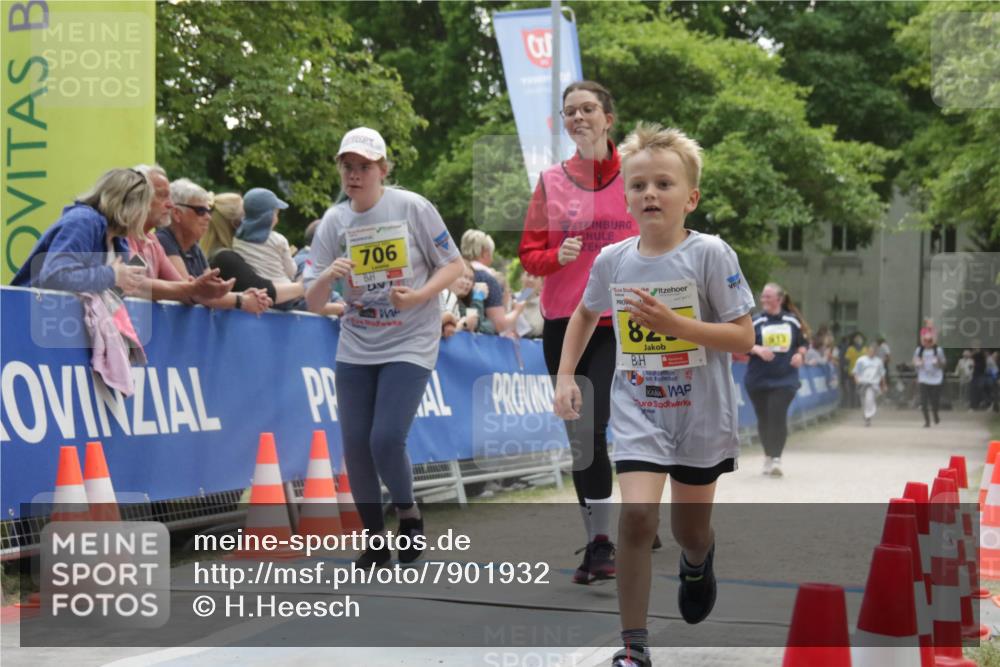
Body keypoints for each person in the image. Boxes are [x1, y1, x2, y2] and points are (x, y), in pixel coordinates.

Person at [554, 123, 754, 667]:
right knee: (638, 519)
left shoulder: (711, 254)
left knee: (689, 529)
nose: (650, 194)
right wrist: (567, 375)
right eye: (639, 185)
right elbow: (585, 313)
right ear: (626, 198)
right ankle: (634, 649)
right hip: (639, 409)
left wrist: (676, 325)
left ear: (690, 197)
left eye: (664, 184)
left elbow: (742, 336)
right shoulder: (614, 261)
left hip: (700, 416)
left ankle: (697, 559)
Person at [303, 127, 463, 567]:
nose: (354, 175)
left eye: (364, 167)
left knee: (386, 438)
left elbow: (455, 264)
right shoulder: (334, 222)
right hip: (357, 341)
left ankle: (408, 513)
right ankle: (374, 537)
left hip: (411, 336)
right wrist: (325, 276)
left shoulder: (411, 207)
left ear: (383, 170)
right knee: (355, 444)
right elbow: (314, 302)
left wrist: (419, 295)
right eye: (347, 167)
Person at [518, 80, 641, 585]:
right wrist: (557, 255)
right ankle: (600, 541)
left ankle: (626, 524)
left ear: (608, 118)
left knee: (602, 423)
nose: (579, 118)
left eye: (588, 109)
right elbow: (529, 255)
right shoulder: (551, 181)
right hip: (564, 322)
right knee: (582, 437)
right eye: (570, 112)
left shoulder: (636, 175)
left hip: (621, 323)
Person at [12, 168, 151, 295]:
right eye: (145, 207)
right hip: (29, 315)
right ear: (130, 206)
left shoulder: (119, 241)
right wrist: (112, 276)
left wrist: (125, 284)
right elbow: (54, 276)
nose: (145, 214)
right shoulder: (83, 222)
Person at [157, 178, 271, 314]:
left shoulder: (194, 248)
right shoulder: (163, 240)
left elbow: (208, 293)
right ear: (177, 213)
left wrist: (242, 295)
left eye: (209, 211)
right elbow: (189, 292)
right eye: (200, 211)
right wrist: (241, 299)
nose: (208, 217)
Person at [129, 164, 234, 304]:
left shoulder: (152, 241)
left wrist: (202, 290)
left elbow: (184, 290)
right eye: (162, 195)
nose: (170, 205)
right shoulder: (123, 235)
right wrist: (194, 289)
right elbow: (133, 284)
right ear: (138, 197)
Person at [743, 283, 808, 477]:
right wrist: (757, 349)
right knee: (764, 419)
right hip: (758, 379)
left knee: (777, 415)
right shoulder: (755, 321)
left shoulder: (792, 321)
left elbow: (803, 343)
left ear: (779, 299)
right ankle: (768, 457)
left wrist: (800, 355)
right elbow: (742, 343)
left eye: (768, 296)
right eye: (763, 296)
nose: (764, 300)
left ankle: (777, 458)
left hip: (785, 379)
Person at [460, 229, 525, 334]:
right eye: (491, 253)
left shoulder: (454, 273)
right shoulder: (489, 279)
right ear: (485, 253)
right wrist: (517, 310)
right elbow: (499, 325)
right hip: (481, 343)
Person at [232, 188, 298, 285]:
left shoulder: (237, 238)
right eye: (276, 213)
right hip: (282, 291)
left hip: (253, 290)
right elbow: (291, 271)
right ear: (269, 216)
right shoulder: (278, 239)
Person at [440, 259, 481, 337]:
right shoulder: (441, 295)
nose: (467, 282)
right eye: (463, 276)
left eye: (471, 279)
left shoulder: (456, 300)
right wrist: (464, 324)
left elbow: (478, 325)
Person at [913, 330, 946, 426]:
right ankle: (927, 421)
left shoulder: (938, 350)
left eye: (929, 340)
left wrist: (938, 362)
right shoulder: (919, 350)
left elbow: (944, 363)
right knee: (923, 401)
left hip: (936, 379)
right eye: (925, 340)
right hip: (923, 378)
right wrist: (918, 363)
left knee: (934, 401)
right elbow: (914, 361)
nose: (927, 343)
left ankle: (935, 414)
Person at [853, 342, 887, 427]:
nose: (871, 353)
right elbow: (856, 372)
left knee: (869, 400)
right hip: (862, 383)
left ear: (875, 352)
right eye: (870, 351)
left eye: (873, 351)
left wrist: (884, 384)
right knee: (864, 402)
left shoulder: (878, 361)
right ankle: (866, 414)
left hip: (872, 384)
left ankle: (868, 418)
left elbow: (882, 374)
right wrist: (857, 381)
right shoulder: (861, 360)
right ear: (867, 351)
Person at [842, 332, 866, 409]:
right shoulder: (850, 349)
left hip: (862, 373)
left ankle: (859, 404)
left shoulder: (865, 349)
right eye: (857, 338)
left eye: (860, 338)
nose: (859, 340)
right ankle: (852, 404)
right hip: (852, 372)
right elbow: (847, 360)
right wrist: (845, 367)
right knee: (852, 389)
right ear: (854, 340)